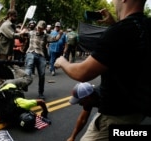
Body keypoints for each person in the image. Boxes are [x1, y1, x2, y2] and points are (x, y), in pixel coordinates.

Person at [55, 0, 149, 140]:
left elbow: (82, 72)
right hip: (138, 112)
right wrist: (114, 23)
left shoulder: (119, 31)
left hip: (115, 115)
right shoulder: (145, 26)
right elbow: (131, 46)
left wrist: (62, 62)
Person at [24, 20, 63, 100]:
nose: (39, 29)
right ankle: (24, 84)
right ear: (36, 27)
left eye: (41, 28)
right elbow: (20, 35)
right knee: (29, 69)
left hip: (40, 55)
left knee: (42, 74)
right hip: (31, 52)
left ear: (44, 29)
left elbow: (55, 39)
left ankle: (40, 92)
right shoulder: (31, 33)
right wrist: (21, 32)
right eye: (38, 28)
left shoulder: (45, 36)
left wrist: (60, 34)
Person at [0, 9, 26, 85]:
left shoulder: (10, 24)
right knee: (2, 66)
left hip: (6, 48)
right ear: (10, 16)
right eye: (15, 16)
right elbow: (12, 35)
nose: (16, 18)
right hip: (2, 49)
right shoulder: (6, 25)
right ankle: (1, 82)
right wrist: (21, 33)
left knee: (1, 65)